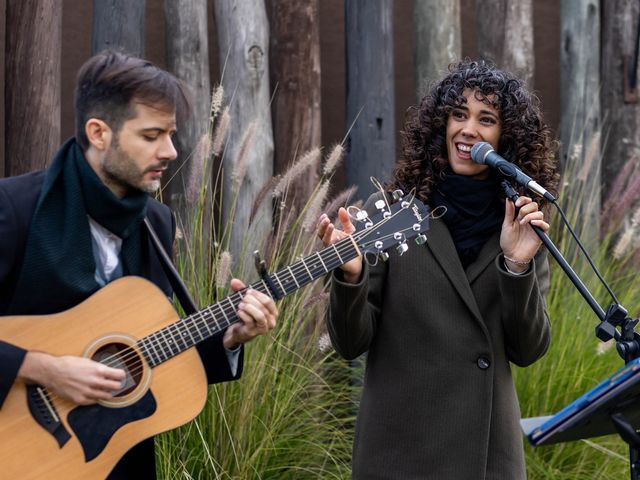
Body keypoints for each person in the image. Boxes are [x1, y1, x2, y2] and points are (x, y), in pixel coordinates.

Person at [0, 51, 277, 479]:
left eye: (171, 134)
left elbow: (150, 351)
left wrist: (230, 338)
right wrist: (44, 369)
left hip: (114, 462)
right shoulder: (14, 210)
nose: (169, 150)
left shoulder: (156, 222)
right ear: (99, 133)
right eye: (151, 135)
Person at [317, 60, 560, 479]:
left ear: (507, 139)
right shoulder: (387, 214)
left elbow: (528, 350)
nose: (468, 130)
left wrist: (517, 265)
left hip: (487, 460)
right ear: (440, 125)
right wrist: (351, 276)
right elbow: (350, 343)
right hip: (400, 455)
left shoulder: (521, 225)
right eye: (458, 114)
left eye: (487, 119)